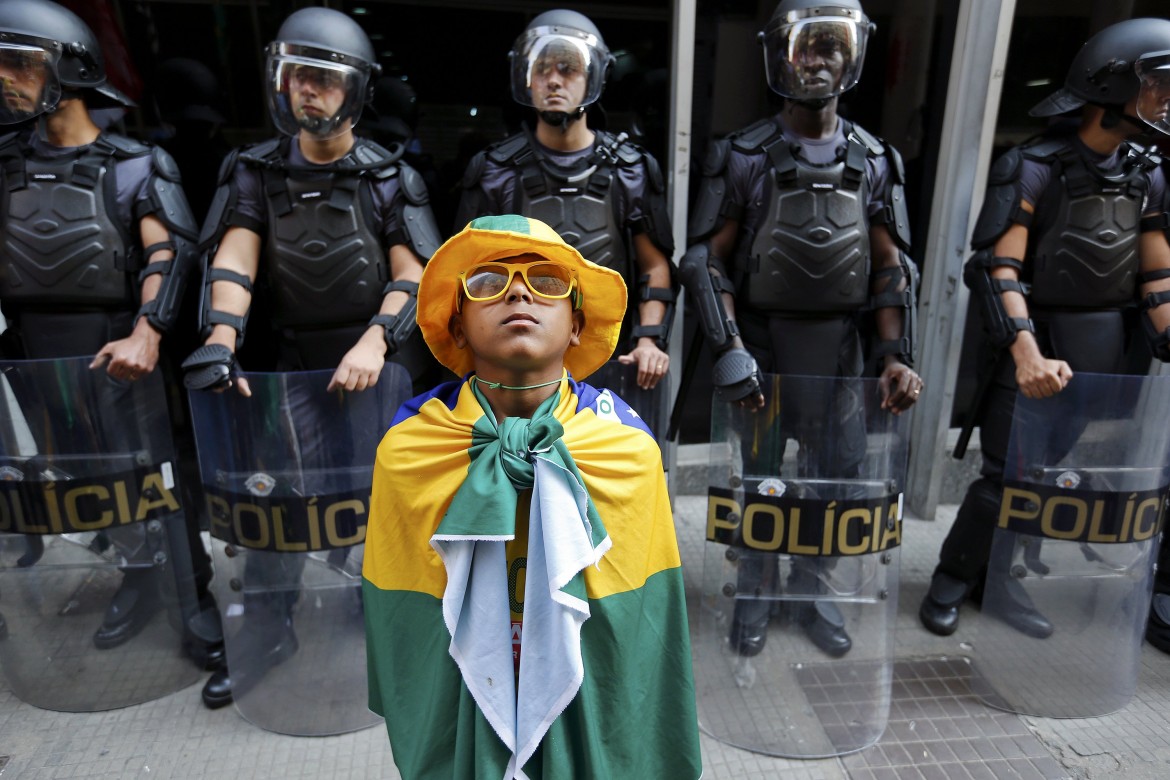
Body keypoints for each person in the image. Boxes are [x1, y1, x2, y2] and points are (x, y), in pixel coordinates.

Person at [362, 215, 702, 779]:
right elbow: (402, 622)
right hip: (462, 695)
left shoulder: (626, 449)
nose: (518, 290)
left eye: (547, 283)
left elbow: (644, 630)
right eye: (488, 282)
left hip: (589, 699)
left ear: (575, 325)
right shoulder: (410, 450)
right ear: (460, 326)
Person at [182, 6, 442, 709]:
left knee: (386, 502)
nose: (308, 92)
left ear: (353, 90)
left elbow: (414, 274)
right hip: (288, 364)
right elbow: (234, 257)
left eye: (323, 81)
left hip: (372, 366)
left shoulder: (388, 175)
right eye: (297, 77)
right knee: (276, 499)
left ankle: (396, 620)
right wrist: (220, 339)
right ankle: (269, 628)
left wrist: (375, 339)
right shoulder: (255, 171)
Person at [682, 0, 920, 658]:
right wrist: (729, 350)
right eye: (804, 48)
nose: (816, 61)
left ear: (851, 59)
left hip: (840, 351)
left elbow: (891, 269)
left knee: (834, 476)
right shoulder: (742, 155)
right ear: (780, 57)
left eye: (830, 48)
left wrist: (896, 355)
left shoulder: (875, 159)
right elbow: (706, 261)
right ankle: (756, 587)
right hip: (760, 343)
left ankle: (812, 587)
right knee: (760, 478)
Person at [920, 18, 1170, 638]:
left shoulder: (1149, 174)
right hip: (1031, 345)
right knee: (1002, 478)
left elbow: (1157, 279)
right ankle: (952, 579)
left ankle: (1000, 579)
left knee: (1051, 479)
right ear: (1112, 86)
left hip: (1101, 351)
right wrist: (1026, 355)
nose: (1167, 100)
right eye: (1158, 85)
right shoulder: (1034, 165)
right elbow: (997, 270)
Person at [0, 0, 218, 663]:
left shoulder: (134, 165)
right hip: (33, 356)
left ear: (66, 70)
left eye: (18, 65)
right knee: (76, 481)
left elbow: (169, 252)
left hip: (118, 352)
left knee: (153, 479)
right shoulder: (4, 164)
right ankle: (139, 577)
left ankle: (192, 600)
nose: (6, 79)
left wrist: (148, 331)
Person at [455, 9, 676, 396]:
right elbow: (467, 272)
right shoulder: (494, 169)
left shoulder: (631, 170)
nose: (553, 80)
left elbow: (654, 267)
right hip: (514, 365)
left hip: (610, 358)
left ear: (593, 78)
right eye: (542, 70)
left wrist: (649, 340)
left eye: (567, 69)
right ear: (526, 78)